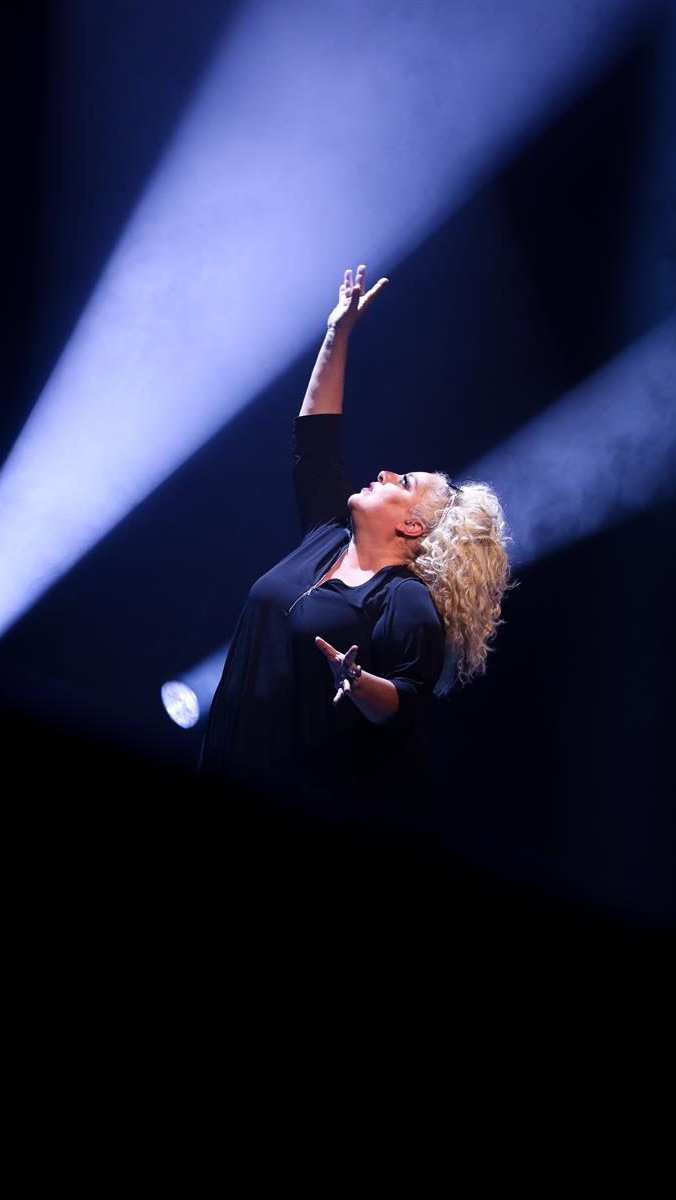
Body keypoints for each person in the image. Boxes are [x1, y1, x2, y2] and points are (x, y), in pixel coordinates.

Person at [197, 265, 512, 845]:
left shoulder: (405, 600)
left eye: (404, 482)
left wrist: (362, 683)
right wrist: (337, 332)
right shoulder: (328, 536)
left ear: (413, 525)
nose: (386, 472)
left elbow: (406, 698)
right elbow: (315, 442)